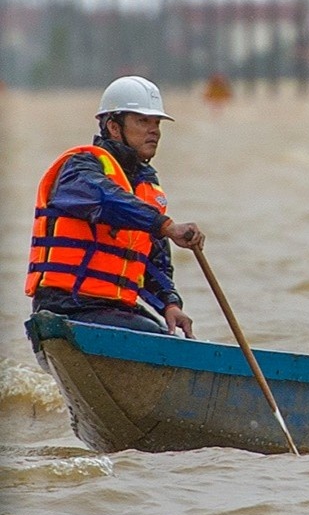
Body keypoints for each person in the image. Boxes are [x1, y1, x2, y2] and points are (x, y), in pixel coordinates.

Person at [26, 76, 205, 336]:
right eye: (143, 121)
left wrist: (169, 304)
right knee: (153, 337)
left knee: (168, 336)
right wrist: (166, 226)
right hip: (67, 306)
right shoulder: (79, 167)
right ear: (113, 126)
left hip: (114, 309)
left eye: (156, 123)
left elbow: (152, 258)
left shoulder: (146, 186)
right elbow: (107, 200)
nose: (154, 130)